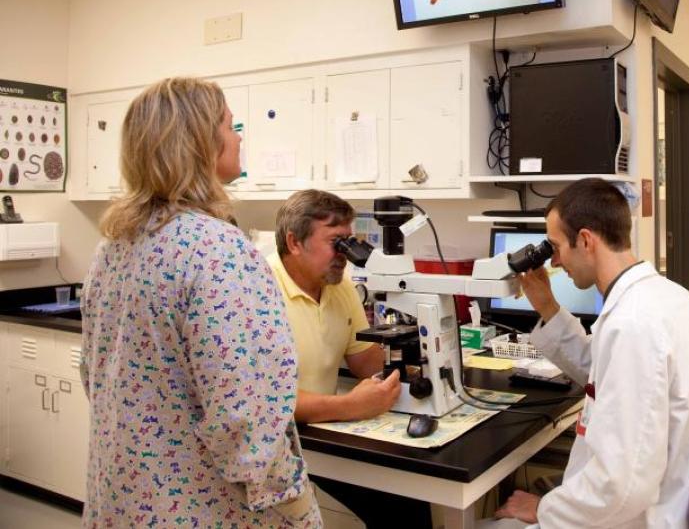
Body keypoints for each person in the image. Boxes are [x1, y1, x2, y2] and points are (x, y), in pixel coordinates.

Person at [80, 78, 321, 528]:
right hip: (199, 507)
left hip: (123, 495)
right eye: (230, 125)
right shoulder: (218, 249)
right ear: (200, 142)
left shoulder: (113, 248)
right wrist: (293, 501)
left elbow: (94, 375)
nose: (239, 136)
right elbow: (245, 412)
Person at [492, 178, 689, 528]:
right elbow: (602, 371)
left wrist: (544, 509)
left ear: (585, 240)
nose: (554, 261)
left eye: (555, 247)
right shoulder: (668, 296)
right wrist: (549, 308)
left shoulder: (633, 323)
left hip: (643, 515)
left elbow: (622, 487)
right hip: (658, 494)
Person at [269, 189, 432, 529]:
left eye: (350, 240)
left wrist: (424, 353)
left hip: (324, 432)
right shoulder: (259, 290)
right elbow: (267, 403)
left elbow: (366, 364)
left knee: (406, 499)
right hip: (278, 445)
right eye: (336, 242)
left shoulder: (338, 283)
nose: (346, 253)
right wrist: (351, 406)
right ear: (294, 242)